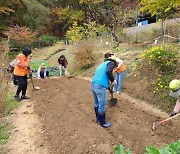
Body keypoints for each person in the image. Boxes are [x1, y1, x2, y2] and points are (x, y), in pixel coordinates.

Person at [91, 55, 117, 128]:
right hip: (100, 86)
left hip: (93, 84)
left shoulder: (102, 65)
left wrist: (109, 89)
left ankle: (98, 119)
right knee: (102, 105)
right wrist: (113, 80)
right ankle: (103, 123)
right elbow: (109, 72)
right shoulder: (111, 63)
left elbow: (103, 77)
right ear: (114, 62)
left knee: (96, 103)